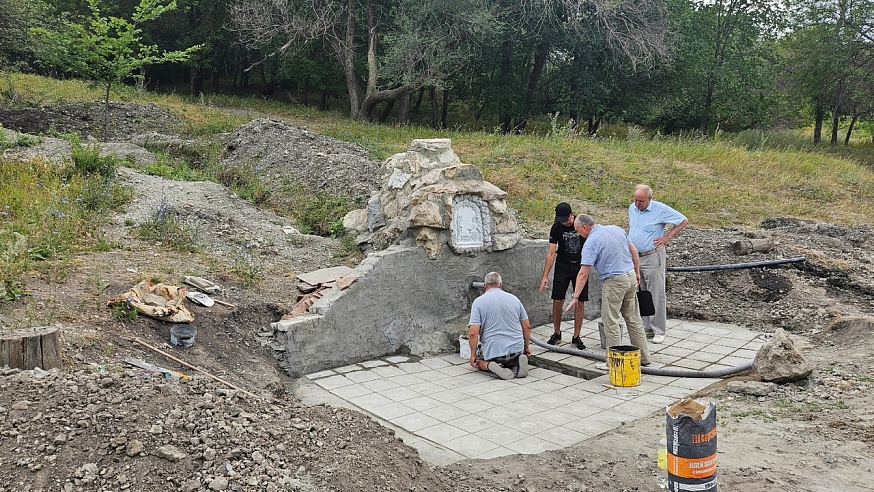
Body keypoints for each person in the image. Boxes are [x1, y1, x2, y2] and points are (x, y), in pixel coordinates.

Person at [564, 214, 652, 368]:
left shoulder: (591, 242)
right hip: (630, 276)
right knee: (634, 319)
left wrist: (575, 296)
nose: (578, 234)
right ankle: (644, 358)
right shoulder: (616, 229)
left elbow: (583, 273)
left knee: (611, 321)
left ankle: (614, 362)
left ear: (585, 227)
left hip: (614, 282)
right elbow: (634, 251)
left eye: (578, 231)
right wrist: (637, 272)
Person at [628, 184, 688, 344]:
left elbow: (683, 220)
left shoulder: (660, 209)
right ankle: (646, 326)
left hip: (653, 256)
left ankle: (659, 330)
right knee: (642, 291)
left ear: (649, 199)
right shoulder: (632, 208)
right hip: (637, 257)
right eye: (635, 200)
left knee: (656, 293)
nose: (637, 203)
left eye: (641, 201)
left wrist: (667, 238)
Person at [539, 202, 588, 350]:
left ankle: (576, 336)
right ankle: (557, 333)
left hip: (580, 266)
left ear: (572, 215)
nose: (565, 223)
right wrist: (545, 275)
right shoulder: (556, 227)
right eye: (562, 221)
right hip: (562, 265)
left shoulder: (581, 223)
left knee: (579, 301)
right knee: (558, 300)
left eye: (567, 220)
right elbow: (551, 252)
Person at [468, 272, 532, 380]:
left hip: (494, 353)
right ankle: (517, 361)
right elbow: (526, 326)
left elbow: (473, 333)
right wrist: (526, 347)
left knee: (478, 362)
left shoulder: (478, 302)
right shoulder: (514, 299)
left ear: (484, 286)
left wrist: (473, 355)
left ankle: (490, 366)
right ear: (501, 285)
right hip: (516, 350)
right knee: (512, 356)